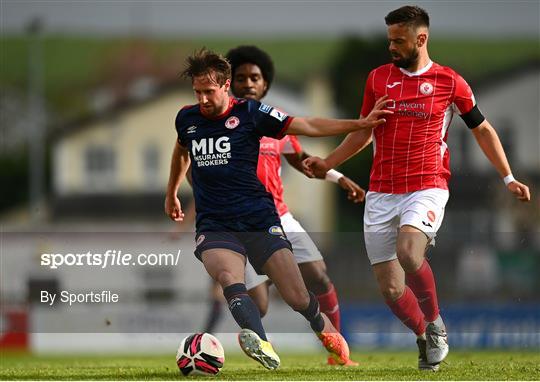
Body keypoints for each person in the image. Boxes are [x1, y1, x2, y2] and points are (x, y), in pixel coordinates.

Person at [303, 5, 531, 372]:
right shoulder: (378, 78)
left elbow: (483, 129)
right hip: (381, 191)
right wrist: (328, 163)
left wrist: (508, 176)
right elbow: (364, 130)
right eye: (389, 39)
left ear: (420, 38)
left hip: (427, 185)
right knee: (392, 290)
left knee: (409, 253)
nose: (392, 47)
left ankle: (436, 323)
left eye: (398, 40)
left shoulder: (449, 81)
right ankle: (424, 335)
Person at [165, 48, 392, 370]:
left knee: (298, 297)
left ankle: (326, 331)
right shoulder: (186, 118)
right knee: (228, 276)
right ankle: (262, 344)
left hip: (259, 218)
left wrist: (360, 123)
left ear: (225, 85)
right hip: (215, 222)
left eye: (209, 91)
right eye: (197, 92)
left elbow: (307, 125)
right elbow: (181, 152)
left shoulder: (250, 113)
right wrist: (172, 192)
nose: (202, 99)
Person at [225, 45, 364, 366]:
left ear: (265, 84)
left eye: (254, 77)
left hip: (280, 215)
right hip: (240, 223)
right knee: (258, 305)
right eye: (240, 77)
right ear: (230, 82)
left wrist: (339, 178)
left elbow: (306, 164)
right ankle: (255, 338)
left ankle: (337, 354)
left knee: (318, 275)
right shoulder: (223, 124)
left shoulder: (275, 125)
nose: (247, 83)